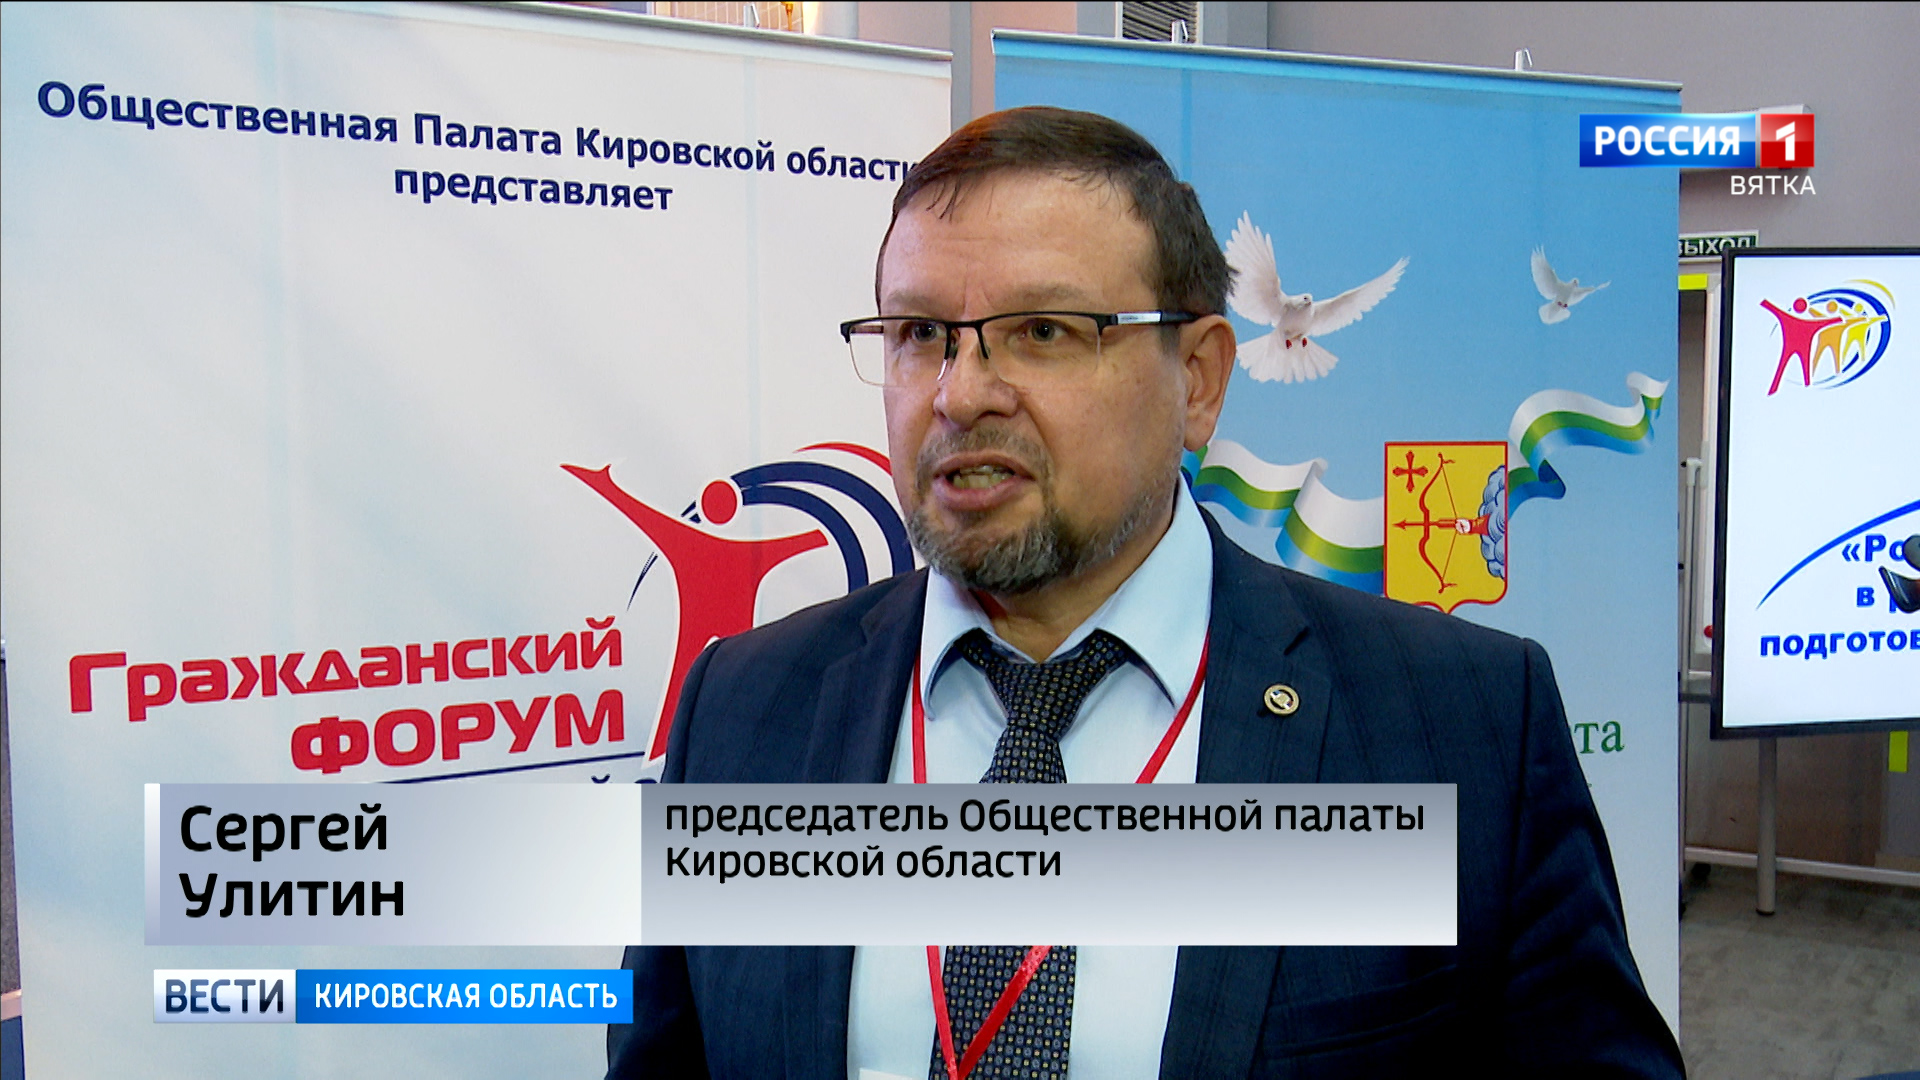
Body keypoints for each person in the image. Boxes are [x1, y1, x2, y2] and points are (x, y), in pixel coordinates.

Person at [607, 106, 1683, 1079]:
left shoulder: (1461, 725)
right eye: (920, 335)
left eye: (1044, 331)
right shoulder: (742, 709)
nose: (960, 394)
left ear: (1199, 380)